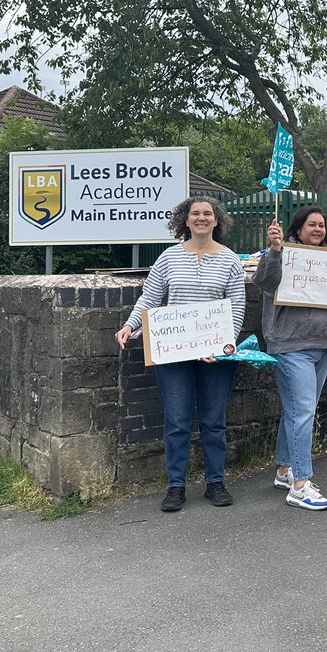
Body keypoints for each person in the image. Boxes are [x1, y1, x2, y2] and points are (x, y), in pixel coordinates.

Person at [115, 197, 246, 513]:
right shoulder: (168, 258)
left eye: (208, 214)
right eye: (195, 214)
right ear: (185, 221)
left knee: (214, 421)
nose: (201, 218)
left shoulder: (230, 260)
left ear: (217, 221)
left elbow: (237, 307)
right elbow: (150, 297)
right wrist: (130, 325)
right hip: (173, 353)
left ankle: (215, 482)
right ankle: (176, 486)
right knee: (176, 421)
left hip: (216, 356)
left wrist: (224, 346)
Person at [254, 206, 327, 511]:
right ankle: (301, 485)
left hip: (323, 344)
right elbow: (264, 282)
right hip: (291, 346)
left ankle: (283, 471)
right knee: (303, 412)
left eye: (322, 225)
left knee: (297, 411)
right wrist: (276, 250)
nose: (318, 229)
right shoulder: (281, 253)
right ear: (299, 227)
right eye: (312, 224)